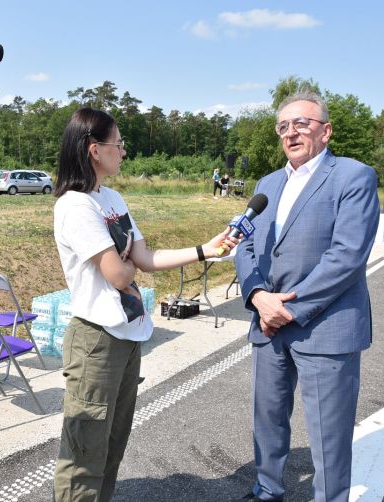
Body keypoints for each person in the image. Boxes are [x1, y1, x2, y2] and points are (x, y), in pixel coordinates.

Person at [52, 107, 238, 501]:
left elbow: (145, 259)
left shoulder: (113, 199)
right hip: (95, 343)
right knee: (84, 452)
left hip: (126, 336)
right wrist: (127, 264)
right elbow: (120, 276)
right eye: (117, 143)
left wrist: (206, 250)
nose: (123, 151)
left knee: (112, 447)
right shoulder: (75, 205)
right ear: (93, 149)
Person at [235, 91, 379, 502]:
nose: (291, 132)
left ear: (326, 130)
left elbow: (347, 255)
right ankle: (267, 490)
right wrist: (259, 296)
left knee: (328, 433)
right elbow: (245, 247)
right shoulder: (268, 184)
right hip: (267, 322)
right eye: (283, 126)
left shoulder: (353, 176)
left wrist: (287, 308)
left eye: (302, 123)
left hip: (326, 326)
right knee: (267, 420)